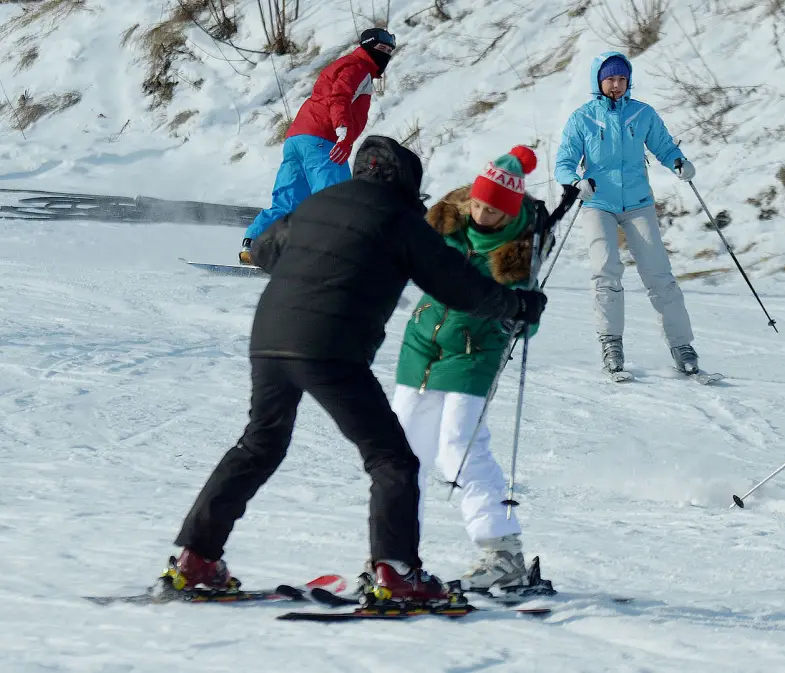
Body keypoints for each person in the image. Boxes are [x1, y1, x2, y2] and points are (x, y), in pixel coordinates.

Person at [166, 136, 548, 605]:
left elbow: (265, 249)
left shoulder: (321, 201)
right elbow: (460, 287)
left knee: (258, 445)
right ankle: (397, 573)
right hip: (331, 347)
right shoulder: (400, 219)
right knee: (393, 459)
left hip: (269, 340)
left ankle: (197, 559)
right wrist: (518, 304)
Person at [392, 145, 558, 591]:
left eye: (494, 211)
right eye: (479, 205)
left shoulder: (522, 248)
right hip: (421, 344)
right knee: (401, 453)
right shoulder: (443, 219)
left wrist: (525, 319)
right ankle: (396, 552)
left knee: (458, 448)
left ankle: (501, 549)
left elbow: (524, 314)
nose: (483, 215)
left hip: (475, 349)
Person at [554, 51, 700, 378]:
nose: (617, 85)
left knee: (659, 273)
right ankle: (611, 342)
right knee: (606, 270)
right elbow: (563, 163)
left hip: (637, 202)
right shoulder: (583, 118)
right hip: (598, 203)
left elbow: (664, 147)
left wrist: (678, 161)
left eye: (622, 79)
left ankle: (682, 345)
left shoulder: (642, 114)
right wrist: (576, 182)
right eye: (610, 79)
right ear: (598, 82)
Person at [238, 27, 398, 264]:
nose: (385, 54)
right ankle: (336, 255)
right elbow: (339, 97)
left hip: (298, 138)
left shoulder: (345, 65)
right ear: (367, 47)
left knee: (289, 201)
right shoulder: (358, 68)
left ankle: (254, 245)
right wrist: (342, 130)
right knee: (336, 200)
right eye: (381, 49)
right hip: (325, 140)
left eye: (389, 50)